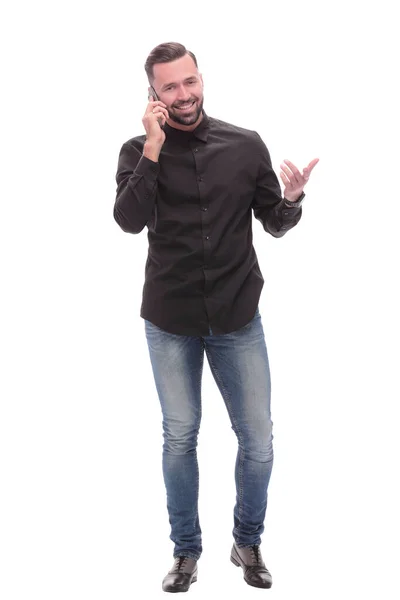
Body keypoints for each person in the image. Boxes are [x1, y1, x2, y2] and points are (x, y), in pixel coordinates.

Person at [113, 41, 319, 593]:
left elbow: (273, 221)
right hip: (170, 320)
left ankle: (246, 541)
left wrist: (293, 199)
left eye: (190, 82)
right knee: (180, 437)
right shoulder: (137, 150)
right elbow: (129, 221)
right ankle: (186, 552)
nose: (183, 95)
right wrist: (155, 148)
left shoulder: (244, 144)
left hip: (236, 317)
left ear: (202, 78)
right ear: (152, 95)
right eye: (169, 87)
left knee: (259, 440)